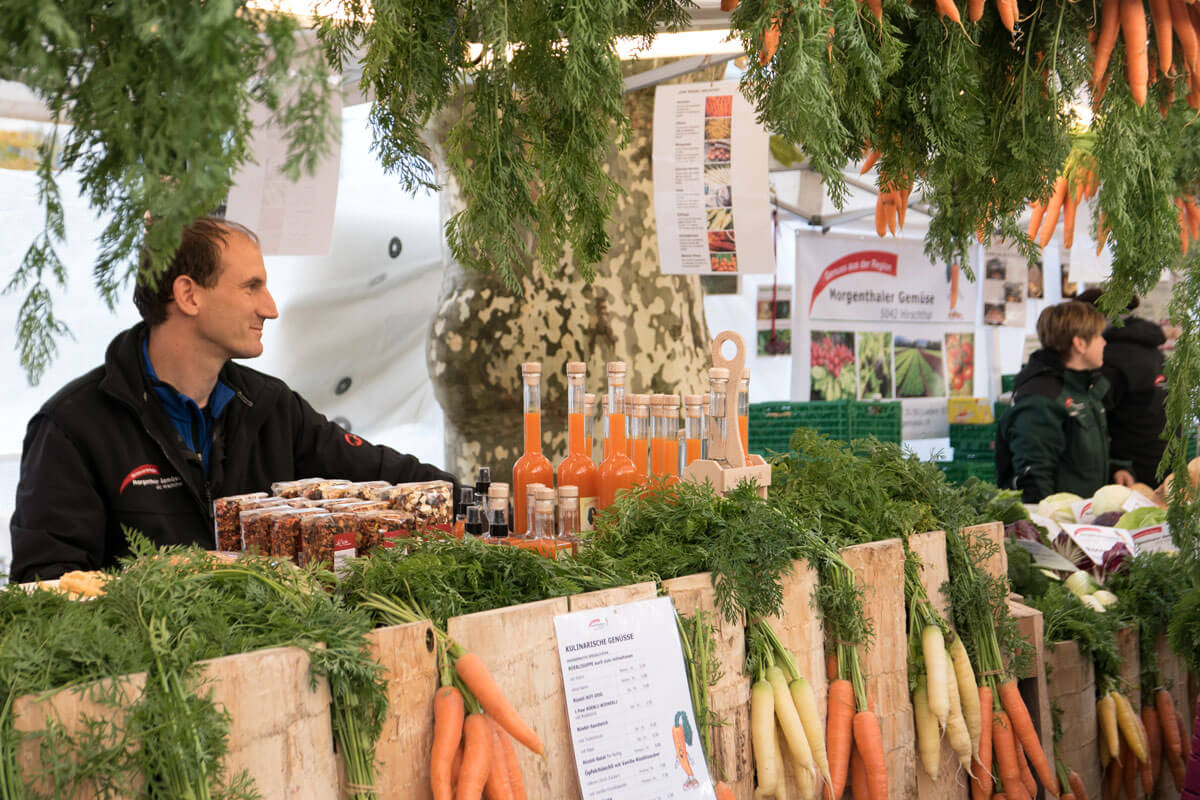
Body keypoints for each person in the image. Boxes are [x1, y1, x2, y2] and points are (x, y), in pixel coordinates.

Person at [9, 217, 456, 582]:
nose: (271, 307)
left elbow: (385, 475)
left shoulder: (269, 406)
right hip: (144, 676)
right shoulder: (73, 427)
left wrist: (477, 501)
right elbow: (45, 583)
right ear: (189, 295)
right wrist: (171, 574)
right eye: (251, 287)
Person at [996, 300, 1134, 503]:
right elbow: (1034, 479)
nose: (1104, 342)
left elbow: (1073, 455)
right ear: (1079, 344)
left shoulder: (1084, 389)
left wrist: (1114, 468)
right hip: (1059, 527)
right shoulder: (1041, 399)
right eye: (1098, 336)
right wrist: (1048, 529)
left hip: (1083, 521)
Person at [1075, 289, 1169, 486]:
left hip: (1128, 469)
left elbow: (1092, 415)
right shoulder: (1150, 347)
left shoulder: (1111, 357)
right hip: (1162, 457)